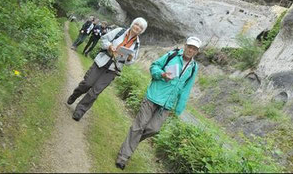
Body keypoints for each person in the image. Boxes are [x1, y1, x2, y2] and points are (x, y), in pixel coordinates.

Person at [115, 36, 202, 170]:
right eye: (189, 47)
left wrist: (178, 110)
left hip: (167, 105)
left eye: (194, 49)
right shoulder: (172, 55)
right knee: (139, 126)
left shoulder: (194, 67)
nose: (191, 50)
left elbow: (186, 89)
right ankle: (123, 157)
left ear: (197, 51)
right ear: (185, 46)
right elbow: (154, 66)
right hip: (153, 96)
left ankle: (130, 143)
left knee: (153, 129)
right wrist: (162, 74)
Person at [67, 17, 148, 121]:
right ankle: (75, 95)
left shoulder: (136, 44)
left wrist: (129, 58)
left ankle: (80, 111)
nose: (138, 28)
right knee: (87, 83)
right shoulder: (120, 31)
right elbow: (104, 39)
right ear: (133, 24)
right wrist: (109, 46)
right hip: (101, 61)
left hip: (113, 69)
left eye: (141, 27)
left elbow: (130, 63)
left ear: (142, 31)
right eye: (137, 24)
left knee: (95, 91)